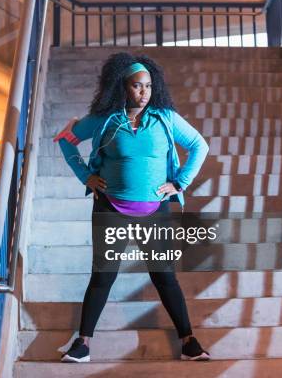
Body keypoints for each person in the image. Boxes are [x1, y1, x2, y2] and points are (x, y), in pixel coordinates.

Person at [54, 52, 210, 362]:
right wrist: (87, 176)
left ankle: (189, 341)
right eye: (137, 86)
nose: (144, 92)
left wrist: (179, 183)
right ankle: (83, 344)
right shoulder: (105, 119)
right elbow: (65, 139)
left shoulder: (165, 117)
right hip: (111, 210)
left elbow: (199, 145)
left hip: (155, 212)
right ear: (121, 87)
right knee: (103, 276)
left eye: (149, 86)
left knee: (164, 276)